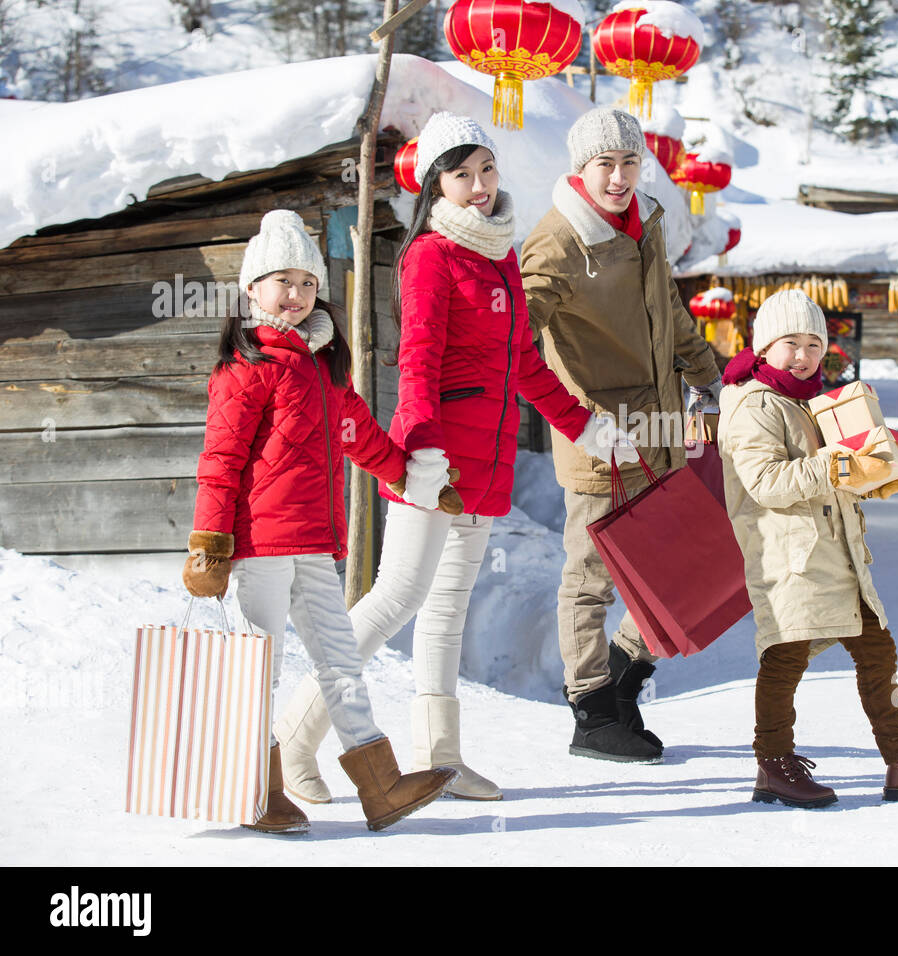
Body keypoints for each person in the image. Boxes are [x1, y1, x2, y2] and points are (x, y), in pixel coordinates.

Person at [275, 113, 634, 802]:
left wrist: (583, 426)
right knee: (394, 599)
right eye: (461, 174)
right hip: (433, 466)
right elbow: (417, 363)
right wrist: (420, 450)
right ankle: (294, 739)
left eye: (486, 171)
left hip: (487, 464)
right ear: (436, 184)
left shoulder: (501, 253)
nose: (477, 186)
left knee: (447, 611)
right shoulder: (431, 256)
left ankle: (441, 758)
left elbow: (526, 364)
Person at [182, 209, 458, 833]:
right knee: (261, 666)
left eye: (308, 283)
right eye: (283, 281)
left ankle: (380, 786)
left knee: (341, 660)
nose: (297, 295)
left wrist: (411, 478)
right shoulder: (245, 368)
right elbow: (219, 461)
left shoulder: (323, 363)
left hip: (314, 547)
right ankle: (253, 788)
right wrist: (209, 544)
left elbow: (360, 433)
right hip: (259, 547)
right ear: (253, 289)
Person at [717, 290, 898, 808]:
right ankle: (773, 764)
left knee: (878, 650)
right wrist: (839, 465)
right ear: (764, 347)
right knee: (785, 656)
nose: (804, 354)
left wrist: (874, 475)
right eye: (790, 342)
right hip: (789, 559)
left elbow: (833, 475)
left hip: (839, 556)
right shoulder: (752, 404)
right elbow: (766, 483)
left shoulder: (810, 403)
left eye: (814, 343)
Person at [521, 108, 723, 763]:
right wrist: (579, 418)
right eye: (604, 163)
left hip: (660, 427)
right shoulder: (556, 242)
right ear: (578, 168)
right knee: (590, 578)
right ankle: (590, 710)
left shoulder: (645, 221)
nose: (617, 175)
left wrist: (708, 375)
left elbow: (667, 309)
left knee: (676, 567)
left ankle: (625, 678)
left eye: (628, 161)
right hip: (601, 441)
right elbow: (515, 341)